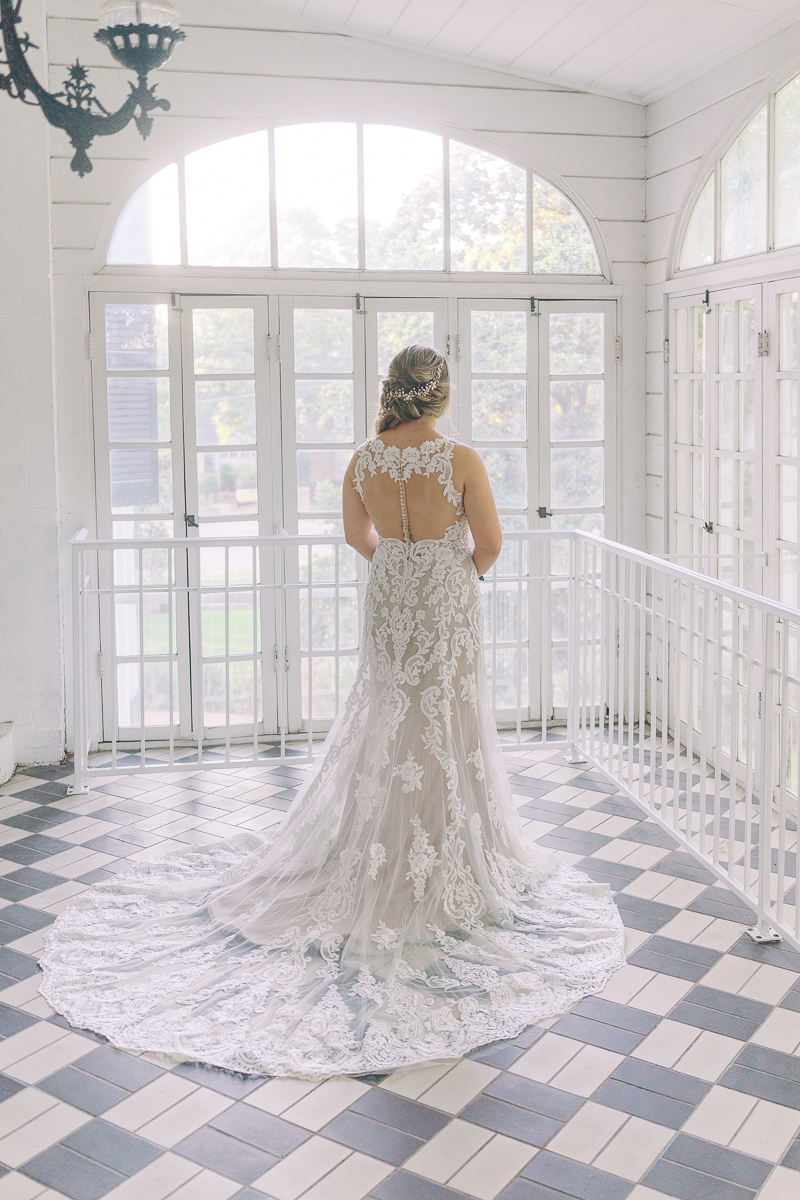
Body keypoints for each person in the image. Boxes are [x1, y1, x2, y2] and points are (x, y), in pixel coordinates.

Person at [40, 345, 624, 1078]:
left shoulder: (363, 460)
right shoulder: (462, 458)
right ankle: (443, 853)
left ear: (394, 392)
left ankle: (375, 844)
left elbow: (359, 538)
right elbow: (492, 544)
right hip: (443, 602)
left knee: (388, 720)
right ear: (441, 394)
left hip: (390, 600)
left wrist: (403, 569)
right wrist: (449, 575)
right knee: (446, 723)